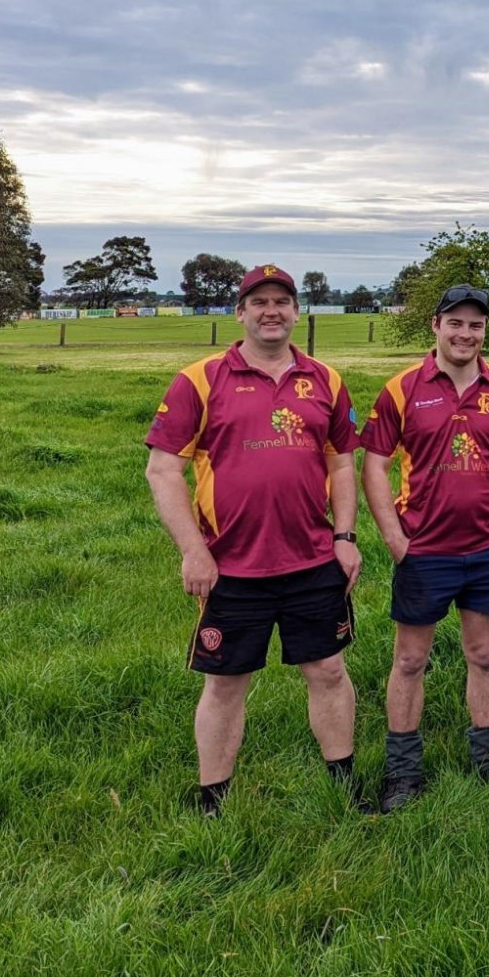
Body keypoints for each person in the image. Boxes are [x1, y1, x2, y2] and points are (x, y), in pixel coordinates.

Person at [143, 265, 362, 815]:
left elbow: (342, 465)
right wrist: (194, 550)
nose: (272, 311)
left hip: (312, 559)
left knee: (329, 670)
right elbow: (162, 470)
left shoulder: (326, 380)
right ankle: (213, 798)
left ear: (296, 311)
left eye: (282, 301)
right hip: (231, 565)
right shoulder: (200, 378)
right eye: (259, 301)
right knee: (226, 682)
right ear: (239, 312)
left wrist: (345, 536)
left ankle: (344, 786)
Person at [359, 286, 489, 811]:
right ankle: (403, 773)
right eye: (455, 323)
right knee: (410, 660)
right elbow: (374, 465)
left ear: (485, 332)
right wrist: (394, 538)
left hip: (487, 549)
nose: (465, 334)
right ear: (435, 325)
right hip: (424, 551)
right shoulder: (401, 389)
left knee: (483, 655)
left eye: (475, 326)